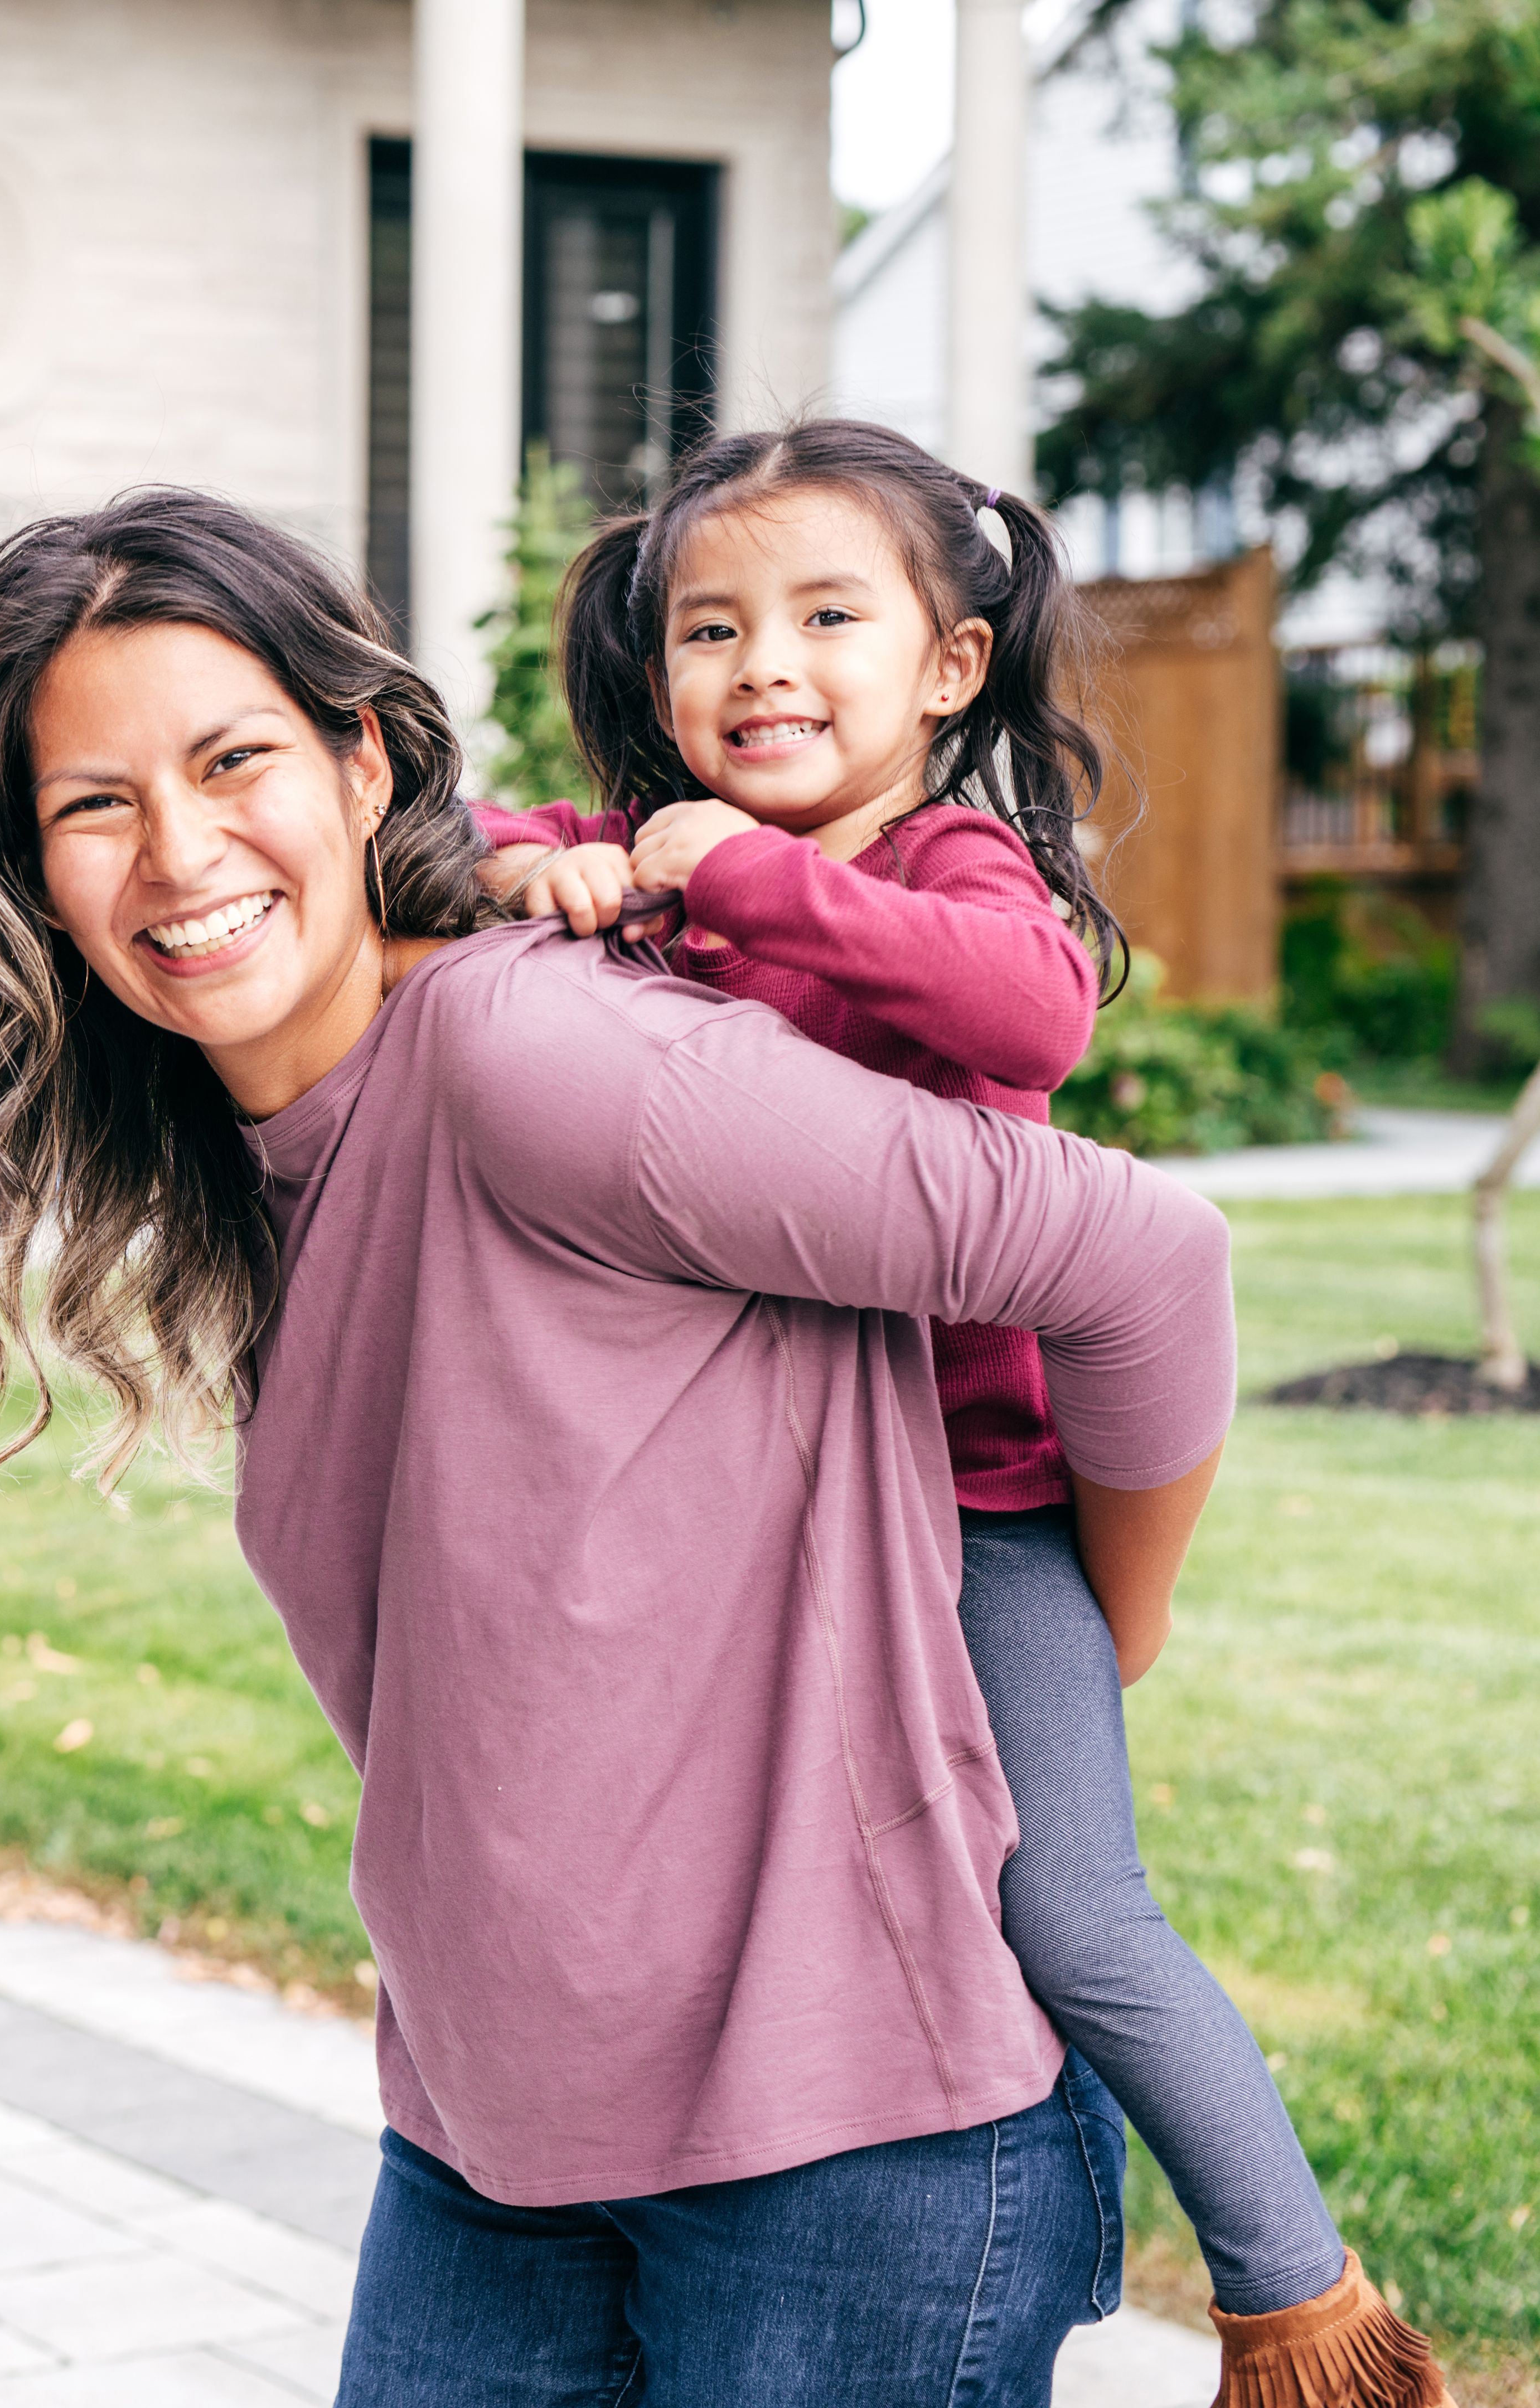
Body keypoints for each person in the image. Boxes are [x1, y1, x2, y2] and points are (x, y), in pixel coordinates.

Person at [0, 486, 1245, 2401]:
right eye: (92, 803)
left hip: (844, 2156)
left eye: (234, 758)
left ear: (362, 763)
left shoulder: (547, 1060)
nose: (177, 848)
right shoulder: (266, 1143)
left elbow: (1143, 1258)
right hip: (487, 2144)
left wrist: (1111, 1612)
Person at [469, 420, 1444, 2402]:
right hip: (740, 1506)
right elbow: (460, 843)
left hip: (971, 1514)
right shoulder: (660, 862)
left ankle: (1301, 2301)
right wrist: (548, 867)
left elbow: (1031, 1015)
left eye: (829, 617)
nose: (762, 668)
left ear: (948, 666)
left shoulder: (938, 860)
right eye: (711, 631)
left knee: (1073, 1914)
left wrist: (742, 882)